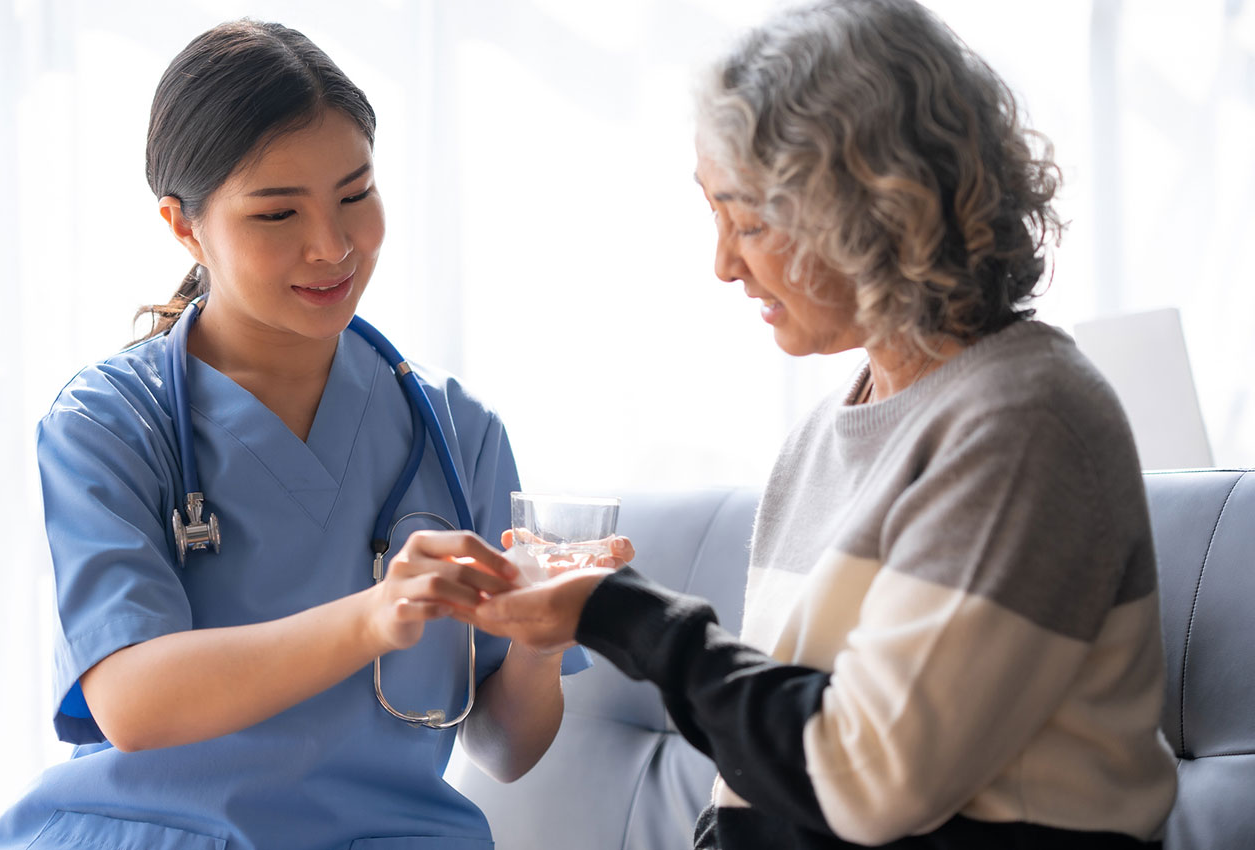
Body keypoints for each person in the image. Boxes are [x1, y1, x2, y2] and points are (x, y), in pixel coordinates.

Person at [462, 1, 1180, 848]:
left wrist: (621, 614)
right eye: (715, 216)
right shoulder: (829, 435)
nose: (724, 264)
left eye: (753, 222)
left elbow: (868, 779)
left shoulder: (1025, 422)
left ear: (882, 207)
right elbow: (769, 777)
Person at [0, 20, 588, 850]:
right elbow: (133, 702)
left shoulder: (456, 432)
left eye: (355, 194)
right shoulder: (110, 424)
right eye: (277, 213)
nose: (333, 246)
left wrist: (541, 641)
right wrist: (376, 616)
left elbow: (505, 745)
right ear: (184, 226)